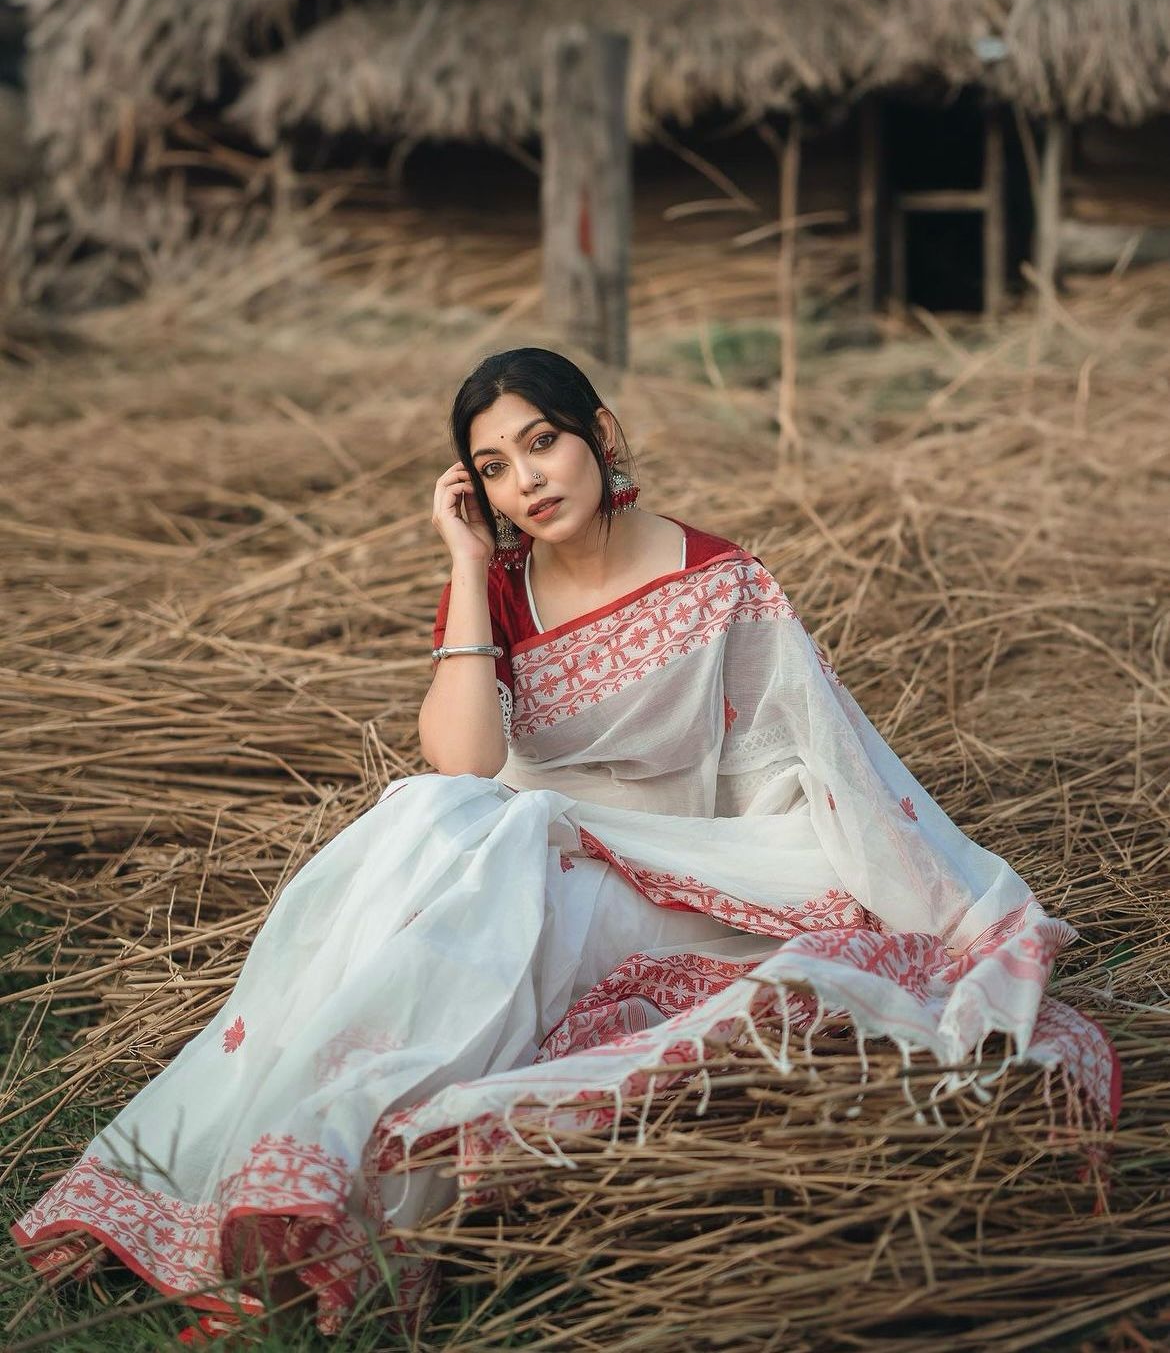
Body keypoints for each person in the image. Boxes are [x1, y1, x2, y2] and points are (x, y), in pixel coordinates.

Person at [12, 347, 1119, 1338]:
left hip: (680, 870)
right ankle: (295, 1178)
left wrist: (944, 906)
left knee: (466, 836)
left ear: (603, 435)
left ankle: (318, 1188)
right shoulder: (501, 586)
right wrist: (461, 564)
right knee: (433, 817)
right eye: (492, 467)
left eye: (542, 442)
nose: (526, 480)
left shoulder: (718, 581)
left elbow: (822, 759)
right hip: (510, 848)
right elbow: (462, 760)